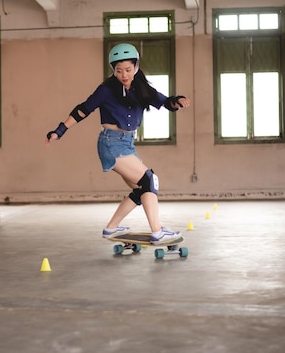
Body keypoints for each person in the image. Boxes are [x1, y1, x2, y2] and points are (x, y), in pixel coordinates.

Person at [45, 43, 190, 244]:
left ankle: (111, 228)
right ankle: (157, 232)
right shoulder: (106, 90)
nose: (124, 74)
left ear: (136, 68)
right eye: (119, 70)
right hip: (111, 143)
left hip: (127, 144)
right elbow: (83, 110)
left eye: (128, 70)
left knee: (141, 189)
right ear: (113, 70)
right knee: (149, 180)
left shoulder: (142, 89)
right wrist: (59, 130)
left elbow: (165, 101)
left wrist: (178, 101)